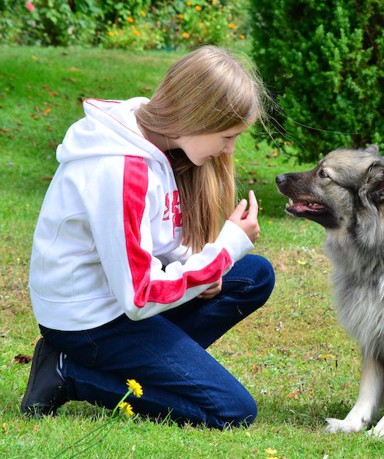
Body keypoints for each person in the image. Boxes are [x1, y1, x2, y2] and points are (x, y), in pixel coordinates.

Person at [20, 45, 275, 429]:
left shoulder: (152, 139)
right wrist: (224, 249)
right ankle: (69, 373)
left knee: (253, 275)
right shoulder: (124, 171)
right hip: (90, 322)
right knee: (233, 410)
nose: (230, 149)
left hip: (114, 303)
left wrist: (199, 268)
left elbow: (152, 243)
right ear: (196, 116)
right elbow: (139, 297)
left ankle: (155, 361)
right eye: (227, 136)